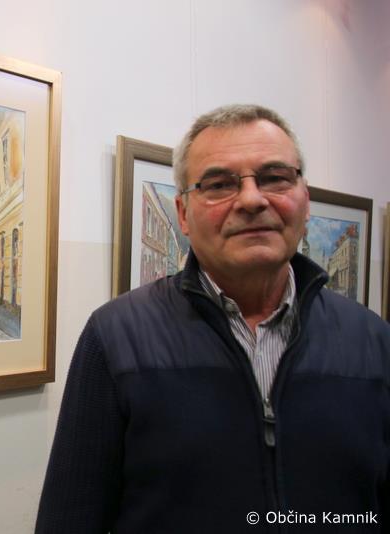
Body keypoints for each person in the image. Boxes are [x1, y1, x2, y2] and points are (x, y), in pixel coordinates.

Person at [35, 104, 390, 533]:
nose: (252, 199)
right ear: (184, 214)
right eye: (220, 184)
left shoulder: (373, 340)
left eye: (275, 177)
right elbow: (69, 519)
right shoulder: (115, 338)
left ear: (305, 200)